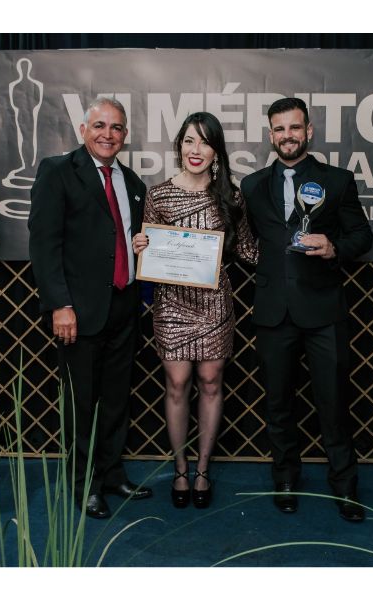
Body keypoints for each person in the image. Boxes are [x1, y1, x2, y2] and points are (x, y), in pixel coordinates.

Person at [240, 97, 373, 521]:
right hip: (272, 311)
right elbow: (250, 240)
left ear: (309, 131)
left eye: (294, 128)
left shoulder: (337, 180)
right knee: (278, 403)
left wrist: (334, 247)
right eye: (279, 129)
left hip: (323, 310)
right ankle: (285, 478)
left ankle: (345, 486)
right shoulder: (252, 186)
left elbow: (362, 236)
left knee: (333, 403)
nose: (287, 136)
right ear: (270, 135)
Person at [29, 97, 152, 519]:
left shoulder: (132, 183)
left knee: (116, 399)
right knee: (82, 403)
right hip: (78, 311)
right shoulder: (58, 171)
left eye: (116, 127)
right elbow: (44, 244)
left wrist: (143, 247)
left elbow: (126, 240)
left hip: (124, 306)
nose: (107, 134)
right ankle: (85, 486)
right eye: (99, 125)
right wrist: (59, 305)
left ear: (125, 136)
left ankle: (113, 474)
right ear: (83, 130)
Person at [132, 112, 257, 509]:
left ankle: (202, 469)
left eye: (205, 142)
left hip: (214, 302)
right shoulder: (158, 195)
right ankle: (180, 469)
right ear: (179, 146)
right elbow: (149, 254)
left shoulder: (232, 197)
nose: (196, 149)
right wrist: (141, 247)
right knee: (176, 384)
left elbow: (248, 249)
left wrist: (293, 244)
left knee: (211, 381)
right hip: (171, 302)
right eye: (189, 140)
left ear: (216, 151)